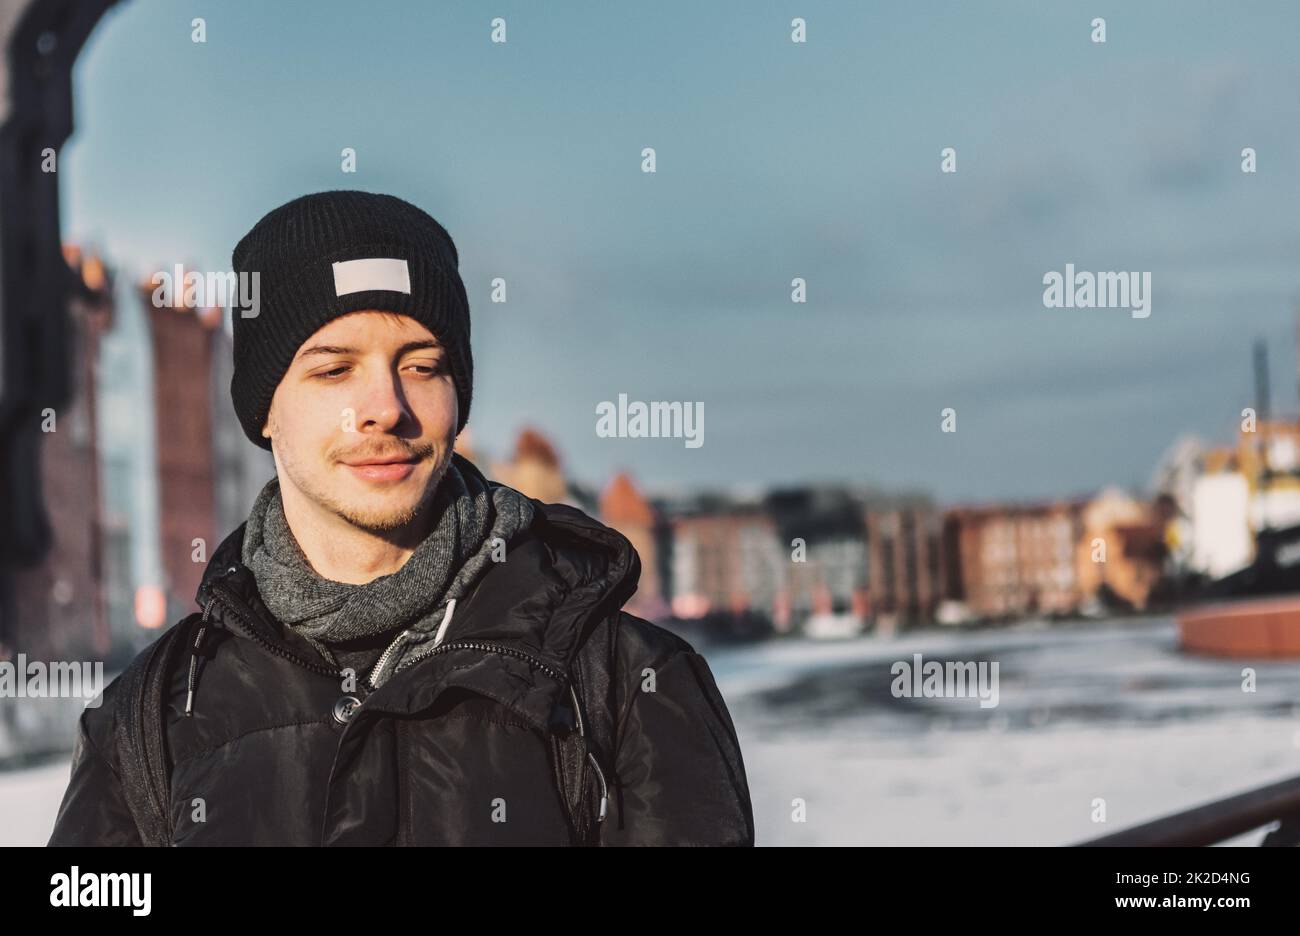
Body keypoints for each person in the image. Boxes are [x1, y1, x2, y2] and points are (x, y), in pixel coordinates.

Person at [47, 190, 754, 846]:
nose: (385, 406)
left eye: (421, 365)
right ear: (263, 409)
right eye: (333, 370)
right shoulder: (152, 720)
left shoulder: (626, 687)